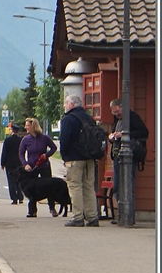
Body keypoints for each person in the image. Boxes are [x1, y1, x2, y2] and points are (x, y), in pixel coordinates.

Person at [58, 93, 99, 226]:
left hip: (74, 158)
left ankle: (78, 217)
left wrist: (64, 157)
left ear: (72, 104)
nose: (64, 105)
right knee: (89, 187)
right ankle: (92, 217)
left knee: (75, 187)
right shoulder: (89, 118)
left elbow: (64, 140)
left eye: (65, 103)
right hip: (90, 158)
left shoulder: (68, 119)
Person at [108, 97, 149, 203]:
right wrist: (111, 137)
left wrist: (125, 135)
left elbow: (144, 132)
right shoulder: (118, 119)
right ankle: (121, 214)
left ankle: (129, 215)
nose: (116, 114)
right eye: (113, 112)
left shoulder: (133, 117)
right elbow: (114, 132)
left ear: (123, 108)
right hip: (117, 155)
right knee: (117, 186)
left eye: (117, 111)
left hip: (130, 154)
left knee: (127, 185)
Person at [18, 117, 57, 216]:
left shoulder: (44, 138)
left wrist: (46, 155)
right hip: (32, 167)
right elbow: (21, 153)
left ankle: (52, 208)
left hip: (44, 165)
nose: (26, 127)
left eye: (27, 125)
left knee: (49, 186)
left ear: (33, 126)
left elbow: (54, 148)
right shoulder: (26, 140)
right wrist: (25, 164)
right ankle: (32, 211)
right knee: (31, 189)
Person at [1, 123, 25, 207]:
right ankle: (20, 197)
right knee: (19, 180)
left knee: (11, 181)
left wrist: (2, 163)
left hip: (9, 163)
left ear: (12, 131)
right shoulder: (21, 140)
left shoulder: (7, 140)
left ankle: (14, 198)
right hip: (19, 162)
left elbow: (4, 152)